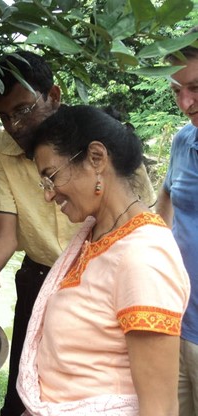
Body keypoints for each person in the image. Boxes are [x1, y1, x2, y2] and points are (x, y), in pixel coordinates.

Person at [0, 50, 156, 415]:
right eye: (4, 116)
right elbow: (3, 237)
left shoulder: (99, 138)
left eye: (22, 110)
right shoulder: (0, 150)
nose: (14, 126)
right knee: (27, 393)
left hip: (105, 286)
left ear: (53, 96)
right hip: (40, 280)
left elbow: (137, 223)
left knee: (97, 391)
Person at [16, 104, 189, 415]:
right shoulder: (96, 234)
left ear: (96, 158)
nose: (48, 194)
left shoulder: (143, 259)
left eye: (51, 177)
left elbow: (160, 408)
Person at [156, 27, 198, 415]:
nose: (186, 102)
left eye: (196, 87)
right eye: (175, 91)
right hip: (177, 322)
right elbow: (165, 202)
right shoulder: (184, 141)